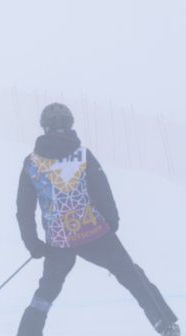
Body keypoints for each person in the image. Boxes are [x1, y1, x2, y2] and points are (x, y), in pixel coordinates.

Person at [16, 103, 180, 336]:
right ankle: (166, 325)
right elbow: (102, 190)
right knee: (132, 276)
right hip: (95, 233)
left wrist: (33, 244)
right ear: (69, 124)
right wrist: (111, 221)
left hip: (59, 239)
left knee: (47, 290)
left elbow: (24, 209)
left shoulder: (31, 163)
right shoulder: (82, 155)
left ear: (44, 126)